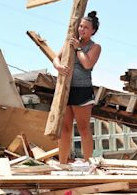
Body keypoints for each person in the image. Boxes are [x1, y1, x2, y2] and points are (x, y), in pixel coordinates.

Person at [53, 11, 101, 163]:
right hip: (66, 89)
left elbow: (87, 64)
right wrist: (59, 67)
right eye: (80, 26)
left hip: (82, 89)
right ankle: (63, 163)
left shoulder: (95, 47)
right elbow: (55, 57)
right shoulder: (70, 42)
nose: (82, 29)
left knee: (83, 128)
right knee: (65, 128)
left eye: (86, 27)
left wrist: (78, 48)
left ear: (93, 30)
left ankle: (88, 163)